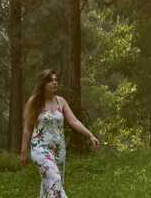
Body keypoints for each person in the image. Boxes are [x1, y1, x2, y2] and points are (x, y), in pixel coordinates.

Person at [20, 69, 100, 198]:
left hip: (59, 149)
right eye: (51, 80)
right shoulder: (34, 101)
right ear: (43, 84)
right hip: (40, 149)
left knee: (50, 185)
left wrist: (90, 135)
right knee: (55, 179)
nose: (55, 83)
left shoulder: (61, 101)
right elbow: (27, 129)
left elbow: (74, 121)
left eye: (56, 80)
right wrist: (23, 152)